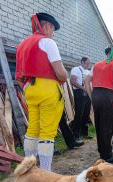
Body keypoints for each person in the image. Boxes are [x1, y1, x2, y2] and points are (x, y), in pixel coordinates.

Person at [16, 13, 68, 171]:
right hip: (48, 89)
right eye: (53, 30)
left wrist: (27, 88)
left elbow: (19, 76)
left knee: (32, 128)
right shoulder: (48, 42)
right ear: (47, 26)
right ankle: (45, 172)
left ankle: (29, 169)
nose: (53, 34)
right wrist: (64, 76)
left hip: (30, 89)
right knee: (47, 131)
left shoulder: (22, 45)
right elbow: (61, 73)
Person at [84, 46, 113, 163]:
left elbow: (86, 81)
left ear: (107, 54)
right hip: (107, 95)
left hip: (96, 94)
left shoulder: (96, 65)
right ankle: (107, 155)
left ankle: (102, 151)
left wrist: (91, 96)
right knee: (106, 126)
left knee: (99, 124)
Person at [70, 57, 92, 141]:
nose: (88, 65)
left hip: (87, 94)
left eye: (89, 63)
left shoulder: (88, 72)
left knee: (86, 114)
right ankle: (75, 135)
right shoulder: (76, 69)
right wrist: (83, 88)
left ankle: (84, 133)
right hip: (79, 92)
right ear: (82, 62)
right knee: (79, 114)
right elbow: (72, 81)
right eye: (87, 63)